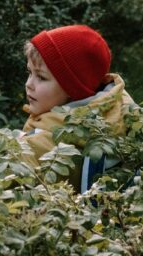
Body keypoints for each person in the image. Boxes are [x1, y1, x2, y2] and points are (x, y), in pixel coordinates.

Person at [20, 25, 136, 192]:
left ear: (72, 89)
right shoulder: (115, 105)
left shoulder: (54, 144)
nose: (28, 84)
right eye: (29, 72)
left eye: (41, 77)